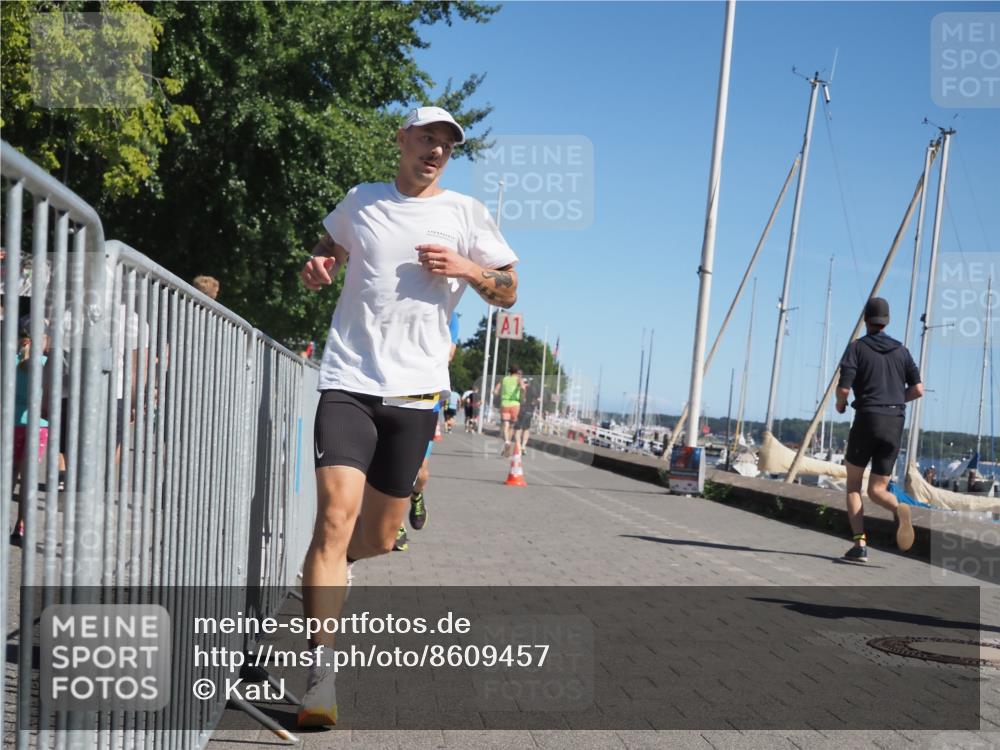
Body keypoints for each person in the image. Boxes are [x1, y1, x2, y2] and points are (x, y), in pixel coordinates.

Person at [297, 106, 518, 727]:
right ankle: (319, 670)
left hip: (417, 392)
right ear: (402, 140)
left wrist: (469, 268)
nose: (437, 151)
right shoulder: (362, 200)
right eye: (427, 139)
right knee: (335, 518)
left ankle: (326, 571)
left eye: (447, 145)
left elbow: (509, 288)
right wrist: (320, 264)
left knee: (378, 539)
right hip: (348, 379)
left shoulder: (466, 214)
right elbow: (328, 244)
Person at [835, 297, 923, 563]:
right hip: (894, 421)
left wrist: (841, 405)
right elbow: (918, 389)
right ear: (887, 321)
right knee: (877, 489)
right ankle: (899, 507)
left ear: (866, 320)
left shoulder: (857, 348)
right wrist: (895, 400)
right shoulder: (902, 351)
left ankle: (859, 545)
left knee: (853, 485)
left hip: (867, 419)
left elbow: (843, 389)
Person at [495, 364, 525, 456]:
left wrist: (496, 393)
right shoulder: (518, 379)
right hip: (515, 404)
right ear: (517, 372)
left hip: (505, 403)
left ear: (510, 371)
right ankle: (508, 443)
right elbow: (523, 388)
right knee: (512, 425)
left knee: (505, 424)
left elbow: (495, 391)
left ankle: (507, 442)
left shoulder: (504, 379)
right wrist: (522, 396)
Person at [513, 381, 538, 456]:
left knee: (518, 429)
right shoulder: (533, 389)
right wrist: (533, 406)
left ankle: (519, 446)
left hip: (521, 410)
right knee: (526, 429)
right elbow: (537, 400)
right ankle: (523, 446)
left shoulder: (519, 388)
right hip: (529, 411)